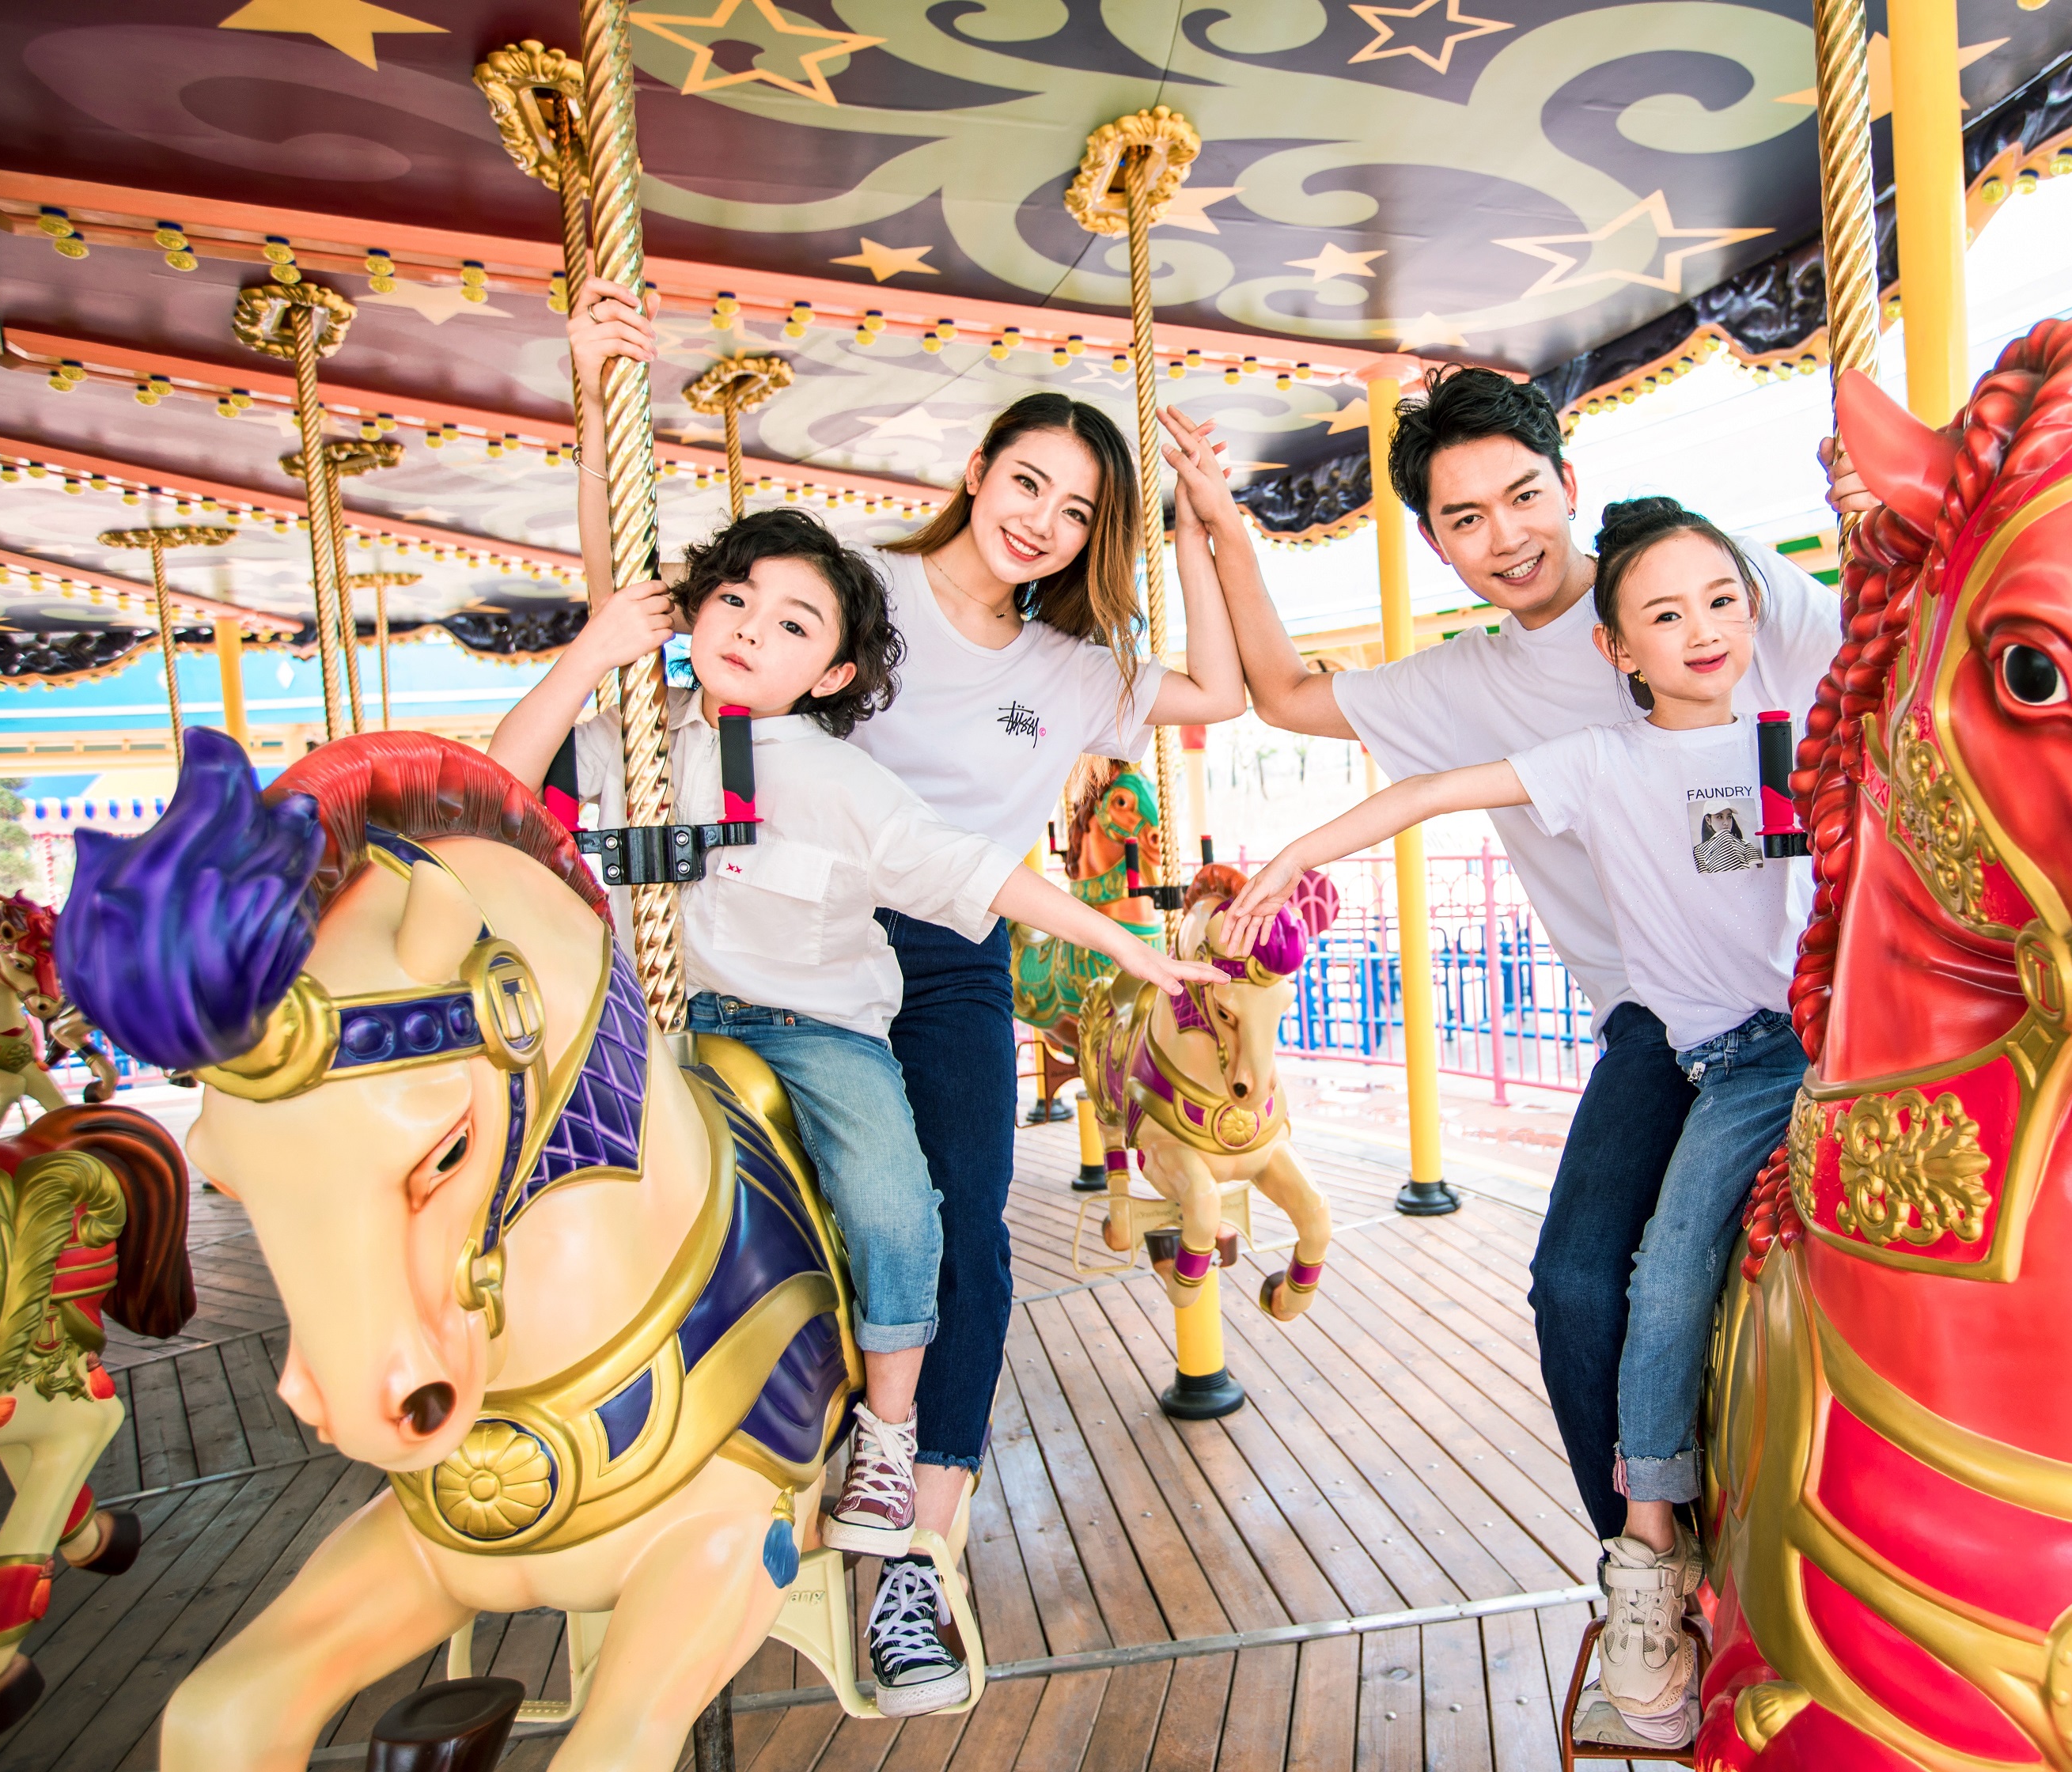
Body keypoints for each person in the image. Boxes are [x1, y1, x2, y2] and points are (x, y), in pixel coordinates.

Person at [489, 505, 1220, 1713]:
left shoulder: (831, 776)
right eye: (734, 602)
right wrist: (591, 653)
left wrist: (1120, 943)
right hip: (653, 1030)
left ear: (831, 673)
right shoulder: (629, 737)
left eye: (793, 625)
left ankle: (887, 1436)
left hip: (808, 1029)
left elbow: (970, 868)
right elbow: (498, 788)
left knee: (897, 1200)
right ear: (691, 613)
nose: (750, 630)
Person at [564, 278, 1245, 1557]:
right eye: (1028, 483)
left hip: (949, 953)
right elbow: (643, 612)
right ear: (978, 472)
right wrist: (598, 404)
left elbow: (1219, 691)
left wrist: (1201, 524)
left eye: (1079, 512)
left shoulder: (1074, 668)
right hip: (789, 930)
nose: (1042, 521)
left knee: (961, 1217)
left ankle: (926, 1517)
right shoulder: (858, 584)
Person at [1175, 369, 1839, 1550]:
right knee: (1574, 1281)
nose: (1507, 537)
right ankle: (1642, 1561)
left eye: (1525, 495)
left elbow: (1891, 655)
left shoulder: (1710, 576)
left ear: (1569, 484)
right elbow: (1282, 696)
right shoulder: (1472, 681)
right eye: (1466, 519)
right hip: (1662, 1019)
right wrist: (1224, 527)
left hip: (1826, 979)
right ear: (1436, 545)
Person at [1221, 497, 1808, 1743]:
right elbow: (1430, 793)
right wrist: (1296, 856)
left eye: (1722, 602)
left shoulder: (1792, 737)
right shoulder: (1599, 762)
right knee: (1661, 1275)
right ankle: (1648, 1549)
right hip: (1730, 1062)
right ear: (1617, 649)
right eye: (1666, 615)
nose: (1704, 628)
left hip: (1830, 1031)